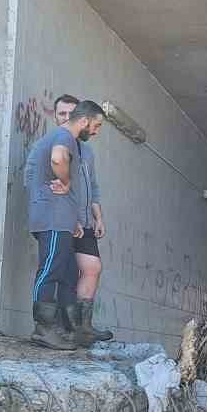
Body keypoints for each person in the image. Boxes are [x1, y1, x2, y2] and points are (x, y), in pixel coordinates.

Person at [22, 100, 105, 349]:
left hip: (63, 218)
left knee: (65, 273)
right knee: (50, 271)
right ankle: (43, 329)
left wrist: (75, 219)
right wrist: (66, 180)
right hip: (52, 216)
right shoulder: (64, 137)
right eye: (96, 125)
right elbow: (58, 159)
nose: (96, 131)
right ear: (84, 121)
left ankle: (66, 329)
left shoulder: (72, 141)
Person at [53, 95, 114, 345]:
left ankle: (84, 325)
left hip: (86, 221)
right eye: (61, 114)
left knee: (93, 268)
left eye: (70, 113)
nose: (66, 118)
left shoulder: (86, 151)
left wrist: (98, 217)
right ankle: (67, 327)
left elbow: (93, 187)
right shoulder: (57, 145)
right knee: (65, 273)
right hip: (66, 220)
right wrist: (70, 217)